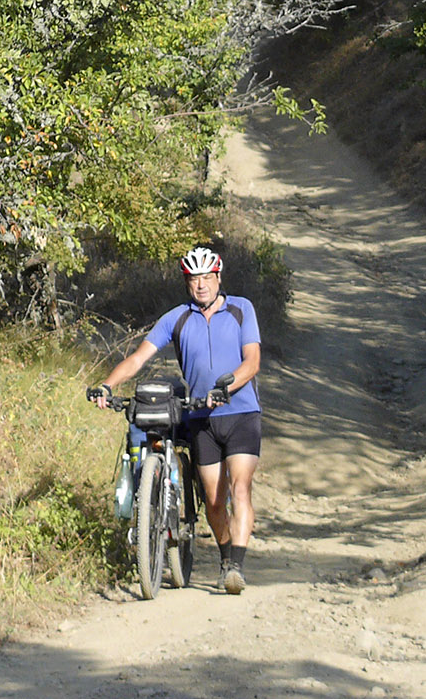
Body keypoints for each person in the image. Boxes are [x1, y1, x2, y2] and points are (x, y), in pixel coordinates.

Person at [91, 245, 262, 594]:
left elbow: (252, 361)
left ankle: (236, 567)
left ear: (218, 278)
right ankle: (225, 558)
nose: (201, 285)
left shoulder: (241, 309)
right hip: (200, 418)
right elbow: (138, 358)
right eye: (194, 279)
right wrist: (107, 385)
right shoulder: (177, 318)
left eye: (207, 277)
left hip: (241, 412)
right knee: (214, 500)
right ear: (187, 283)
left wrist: (227, 387)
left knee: (240, 488)